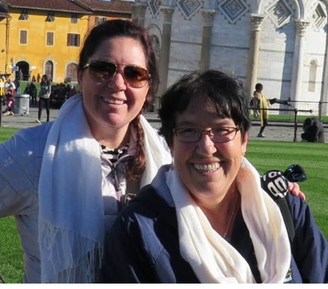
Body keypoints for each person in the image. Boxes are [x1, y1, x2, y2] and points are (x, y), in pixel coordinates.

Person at [0, 20, 172, 283]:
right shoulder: (31, 152)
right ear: (81, 77)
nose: (118, 83)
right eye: (103, 69)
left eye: (134, 74)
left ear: (148, 87)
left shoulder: (166, 158)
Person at [102, 70, 328, 283]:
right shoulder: (139, 230)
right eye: (189, 131)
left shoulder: (285, 207)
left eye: (222, 130)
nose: (206, 147)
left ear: (244, 141)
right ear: (170, 143)